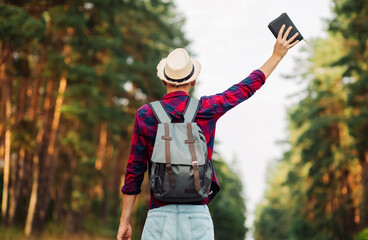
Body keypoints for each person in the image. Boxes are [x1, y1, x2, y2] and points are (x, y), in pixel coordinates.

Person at [116, 25, 300, 240]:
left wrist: (124, 222)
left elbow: (134, 170)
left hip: (159, 216)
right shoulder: (206, 109)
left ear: (163, 79)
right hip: (197, 217)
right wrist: (276, 56)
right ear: (193, 81)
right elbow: (244, 88)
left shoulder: (145, 114)